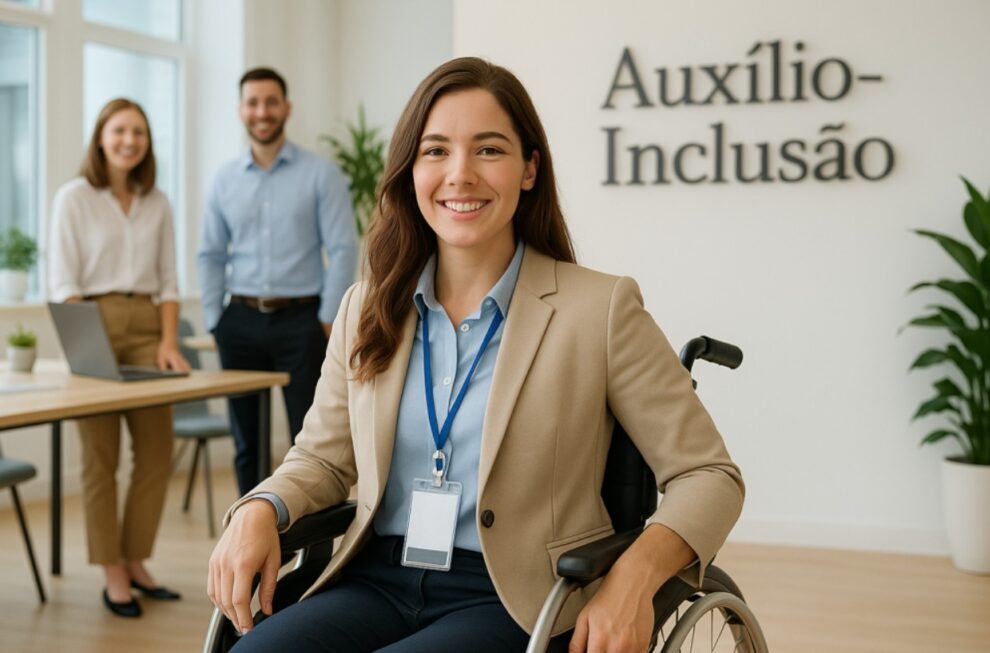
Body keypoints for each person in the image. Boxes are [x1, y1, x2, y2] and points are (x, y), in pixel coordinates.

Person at [208, 58, 744, 653]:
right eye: (436, 151)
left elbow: (708, 476)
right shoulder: (367, 307)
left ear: (529, 169)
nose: (460, 175)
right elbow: (323, 460)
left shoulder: (600, 308)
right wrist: (261, 508)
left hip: (519, 596)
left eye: (488, 150)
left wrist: (635, 576)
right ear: (411, 170)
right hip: (376, 579)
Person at [49, 98, 191, 618]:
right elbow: (64, 282)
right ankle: (112, 569)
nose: (129, 141)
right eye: (119, 131)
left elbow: (169, 281)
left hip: (149, 325)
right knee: (100, 459)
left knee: (156, 453)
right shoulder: (74, 197)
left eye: (139, 132)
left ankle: (135, 558)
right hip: (93, 321)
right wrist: (88, 346)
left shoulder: (158, 201)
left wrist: (169, 341)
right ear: (101, 137)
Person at [198, 67, 359, 496]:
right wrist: (216, 318)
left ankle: (307, 533)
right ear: (241, 110)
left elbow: (343, 248)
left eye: (271, 102)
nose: (262, 112)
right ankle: (246, 526)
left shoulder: (321, 174)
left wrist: (327, 318)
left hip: (302, 322)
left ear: (286, 108)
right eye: (253, 103)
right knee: (246, 443)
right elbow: (210, 253)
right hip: (240, 321)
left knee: (311, 442)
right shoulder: (224, 179)